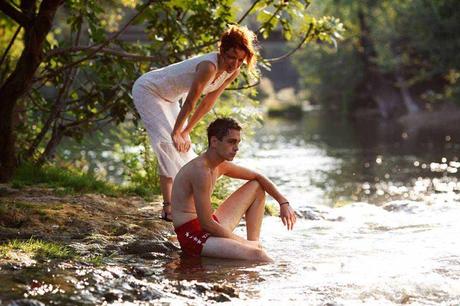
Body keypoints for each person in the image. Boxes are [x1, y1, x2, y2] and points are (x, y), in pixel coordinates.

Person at [131, 25, 258, 221]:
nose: (235, 63)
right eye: (232, 57)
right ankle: (169, 207)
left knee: (183, 148)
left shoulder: (232, 71)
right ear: (222, 50)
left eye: (240, 59)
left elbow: (208, 101)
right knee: (167, 143)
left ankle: (189, 204)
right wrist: (176, 132)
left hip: (170, 98)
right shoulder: (209, 66)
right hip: (149, 90)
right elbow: (191, 101)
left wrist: (186, 130)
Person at [171, 118, 297, 261]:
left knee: (256, 186)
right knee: (259, 256)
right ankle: (253, 248)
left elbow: (258, 176)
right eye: (231, 142)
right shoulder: (201, 171)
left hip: (208, 224)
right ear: (214, 142)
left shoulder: (220, 165)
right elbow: (206, 224)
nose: (236, 148)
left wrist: (283, 202)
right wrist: (243, 243)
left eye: (237, 143)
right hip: (192, 235)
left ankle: (254, 242)